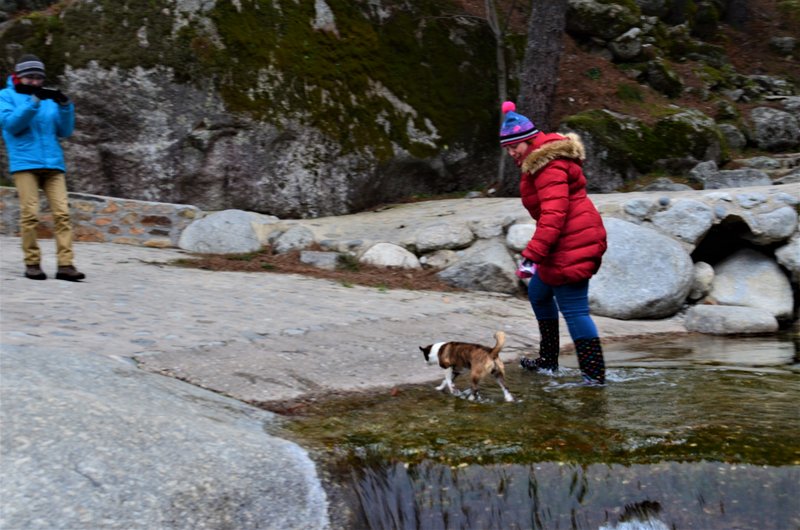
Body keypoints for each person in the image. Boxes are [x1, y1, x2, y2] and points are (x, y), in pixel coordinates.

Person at [499, 101, 607, 384]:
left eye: (515, 147)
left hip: (574, 241)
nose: (511, 153)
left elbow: (554, 215)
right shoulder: (541, 161)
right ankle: (548, 361)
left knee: (574, 310)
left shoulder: (549, 166)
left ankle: (594, 377)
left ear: (529, 140)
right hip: (566, 239)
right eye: (507, 148)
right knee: (539, 293)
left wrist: (532, 254)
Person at [0, 54, 85, 281]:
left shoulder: (48, 100)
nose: (35, 82)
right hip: (25, 164)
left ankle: (65, 265)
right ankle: (32, 263)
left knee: (63, 214)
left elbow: (64, 131)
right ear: (19, 76)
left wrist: (66, 106)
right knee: (30, 215)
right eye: (30, 77)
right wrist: (33, 102)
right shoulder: (5, 96)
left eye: (39, 78)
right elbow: (12, 126)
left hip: (53, 164)